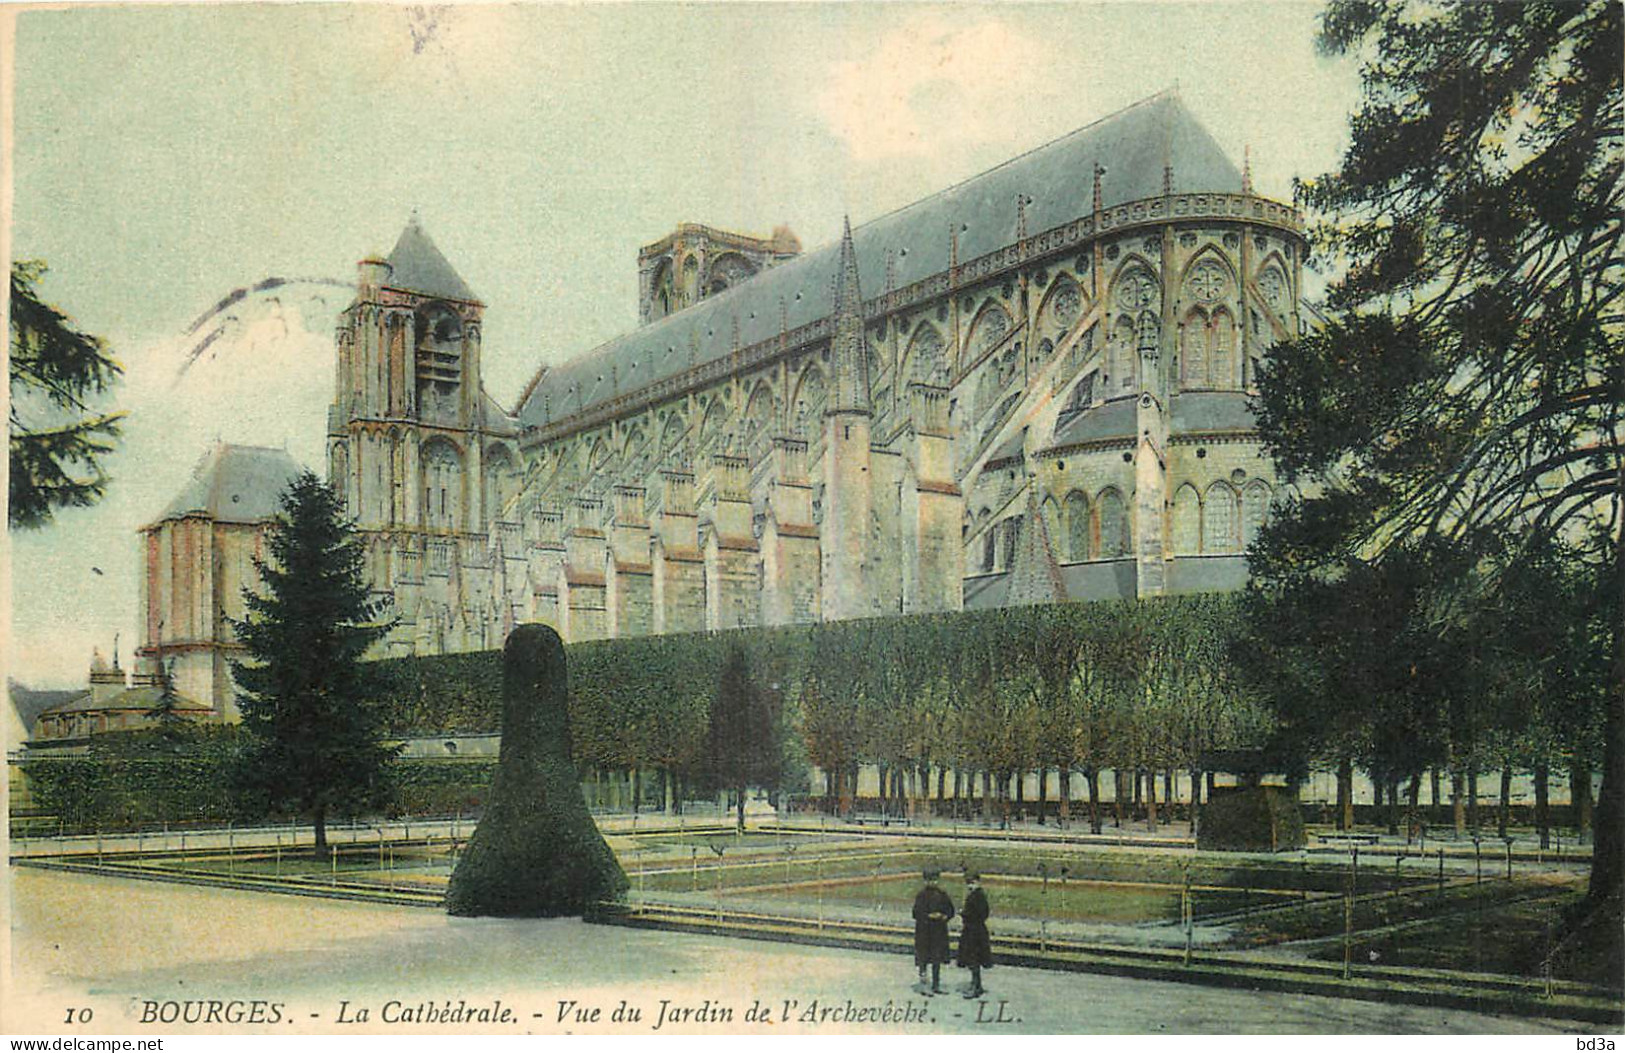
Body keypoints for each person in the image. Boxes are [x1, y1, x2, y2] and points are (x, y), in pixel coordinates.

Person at [911, 868, 954, 995]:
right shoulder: (921, 896)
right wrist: (928, 916)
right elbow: (915, 913)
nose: (932, 883)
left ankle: (936, 984)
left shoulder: (942, 895)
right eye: (929, 880)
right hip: (924, 931)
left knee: (937, 959)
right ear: (925, 881)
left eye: (934, 880)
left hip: (938, 932)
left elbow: (950, 911)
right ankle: (924, 983)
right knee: (923, 958)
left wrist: (943, 916)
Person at [957, 871, 992, 998]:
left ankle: (976, 987)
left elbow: (982, 913)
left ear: (978, 882)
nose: (969, 886)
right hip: (973, 930)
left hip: (975, 931)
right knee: (972, 959)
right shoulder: (975, 895)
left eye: (972, 883)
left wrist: (964, 913)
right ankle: (975, 984)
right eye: (968, 883)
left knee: (974, 960)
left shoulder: (978, 896)